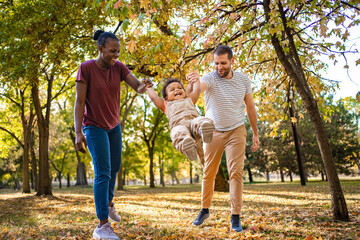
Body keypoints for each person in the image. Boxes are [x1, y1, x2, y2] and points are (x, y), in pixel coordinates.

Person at [74, 30, 153, 240]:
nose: (115, 55)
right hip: (93, 126)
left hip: (113, 126)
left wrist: (143, 85)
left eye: (117, 51)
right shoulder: (86, 68)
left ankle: (109, 203)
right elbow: (79, 102)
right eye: (112, 51)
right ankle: (102, 225)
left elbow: (136, 86)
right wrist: (78, 132)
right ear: (100, 49)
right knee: (103, 172)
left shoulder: (118, 67)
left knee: (115, 166)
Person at [188, 45, 259, 232]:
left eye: (223, 63)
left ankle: (235, 216)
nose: (219, 67)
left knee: (235, 173)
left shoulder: (243, 80)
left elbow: (250, 108)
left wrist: (256, 134)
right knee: (209, 171)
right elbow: (194, 97)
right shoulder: (209, 78)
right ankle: (204, 210)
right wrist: (192, 84)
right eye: (216, 63)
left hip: (236, 130)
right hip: (213, 131)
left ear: (232, 61)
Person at [144, 77, 215, 163]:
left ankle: (204, 130)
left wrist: (195, 80)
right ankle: (187, 145)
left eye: (180, 88)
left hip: (193, 125)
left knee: (200, 120)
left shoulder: (190, 99)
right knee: (177, 132)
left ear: (184, 92)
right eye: (172, 89)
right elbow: (154, 98)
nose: (177, 90)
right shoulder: (166, 105)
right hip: (179, 127)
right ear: (166, 98)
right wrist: (148, 86)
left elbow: (197, 89)